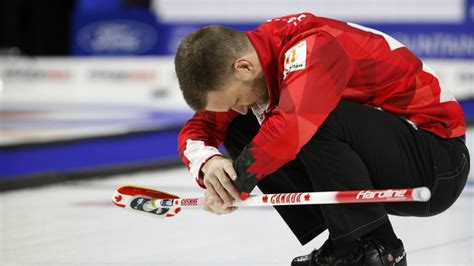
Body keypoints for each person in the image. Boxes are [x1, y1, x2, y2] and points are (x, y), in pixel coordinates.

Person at [174, 12, 470, 265]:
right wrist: (209, 165)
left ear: (244, 67)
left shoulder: (313, 45)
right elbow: (197, 131)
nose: (239, 108)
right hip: (392, 156)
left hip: (437, 164)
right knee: (242, 126)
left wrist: (235, 185)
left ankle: (377, 250)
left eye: (236, 99)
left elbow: (293, 126)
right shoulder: (252, 63)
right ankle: (349, 243)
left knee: (309, 118)